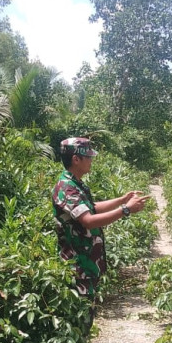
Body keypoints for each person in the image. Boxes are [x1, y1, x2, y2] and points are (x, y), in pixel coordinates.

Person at [52, 137, 149, 330]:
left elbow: (91, 208)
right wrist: (126, 210)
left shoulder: (76, 184)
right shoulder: (66, 187)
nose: (91, 160)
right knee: (80, 313)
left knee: (87, 309)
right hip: (77, 263)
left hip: (86, 262)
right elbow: (88, 220)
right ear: (76, 159)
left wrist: (121, 200)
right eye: (88, 157)